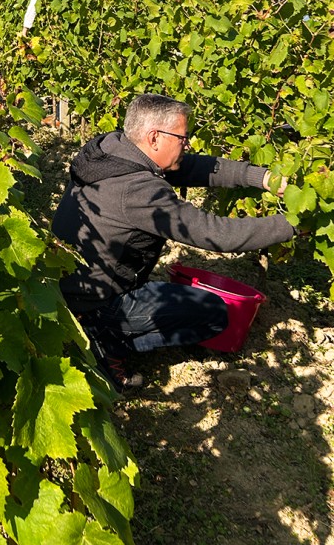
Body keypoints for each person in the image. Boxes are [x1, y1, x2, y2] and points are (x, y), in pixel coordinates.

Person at [52, 93, 297, 391]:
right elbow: (219, 234)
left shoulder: (111, 149)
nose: (187, 143)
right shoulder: (138, 192)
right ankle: (103, 339)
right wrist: (295, 223)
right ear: (154, 137)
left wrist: (262, 178)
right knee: (214, 314)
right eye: (183, 137)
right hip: (97, 298)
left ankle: (101, 323)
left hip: (71, 278)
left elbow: (193, 167)